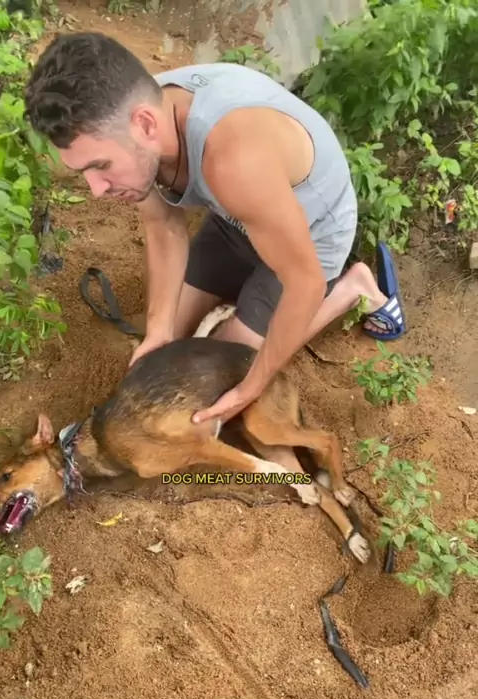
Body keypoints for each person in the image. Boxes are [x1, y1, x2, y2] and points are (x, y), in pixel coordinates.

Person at [24, 31, 406, 425]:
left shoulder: (233, 160)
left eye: (101, 166)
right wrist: (159, 332)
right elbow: (163, 225)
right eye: (84, 171)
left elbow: (304, 283)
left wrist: (251, 387)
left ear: (145, 124)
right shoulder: (132, 116)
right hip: (235, 217)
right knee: (164, 355)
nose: (96, 189)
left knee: (219, 379)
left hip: (310, 235)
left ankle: (351, 288)